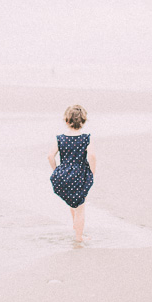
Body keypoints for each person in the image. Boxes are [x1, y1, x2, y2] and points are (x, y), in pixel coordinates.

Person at [47, 104, 96, 243]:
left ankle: (76, 227)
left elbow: (50, 156)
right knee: (80, 209)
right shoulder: (86, 138)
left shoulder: (60, 138)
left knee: (72, 203)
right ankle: (79, 238)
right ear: (83, 121)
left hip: (63, 175)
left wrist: (56, 171)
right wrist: (92, 173)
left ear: (66, 120)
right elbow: (92, 156)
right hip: (80, 175)